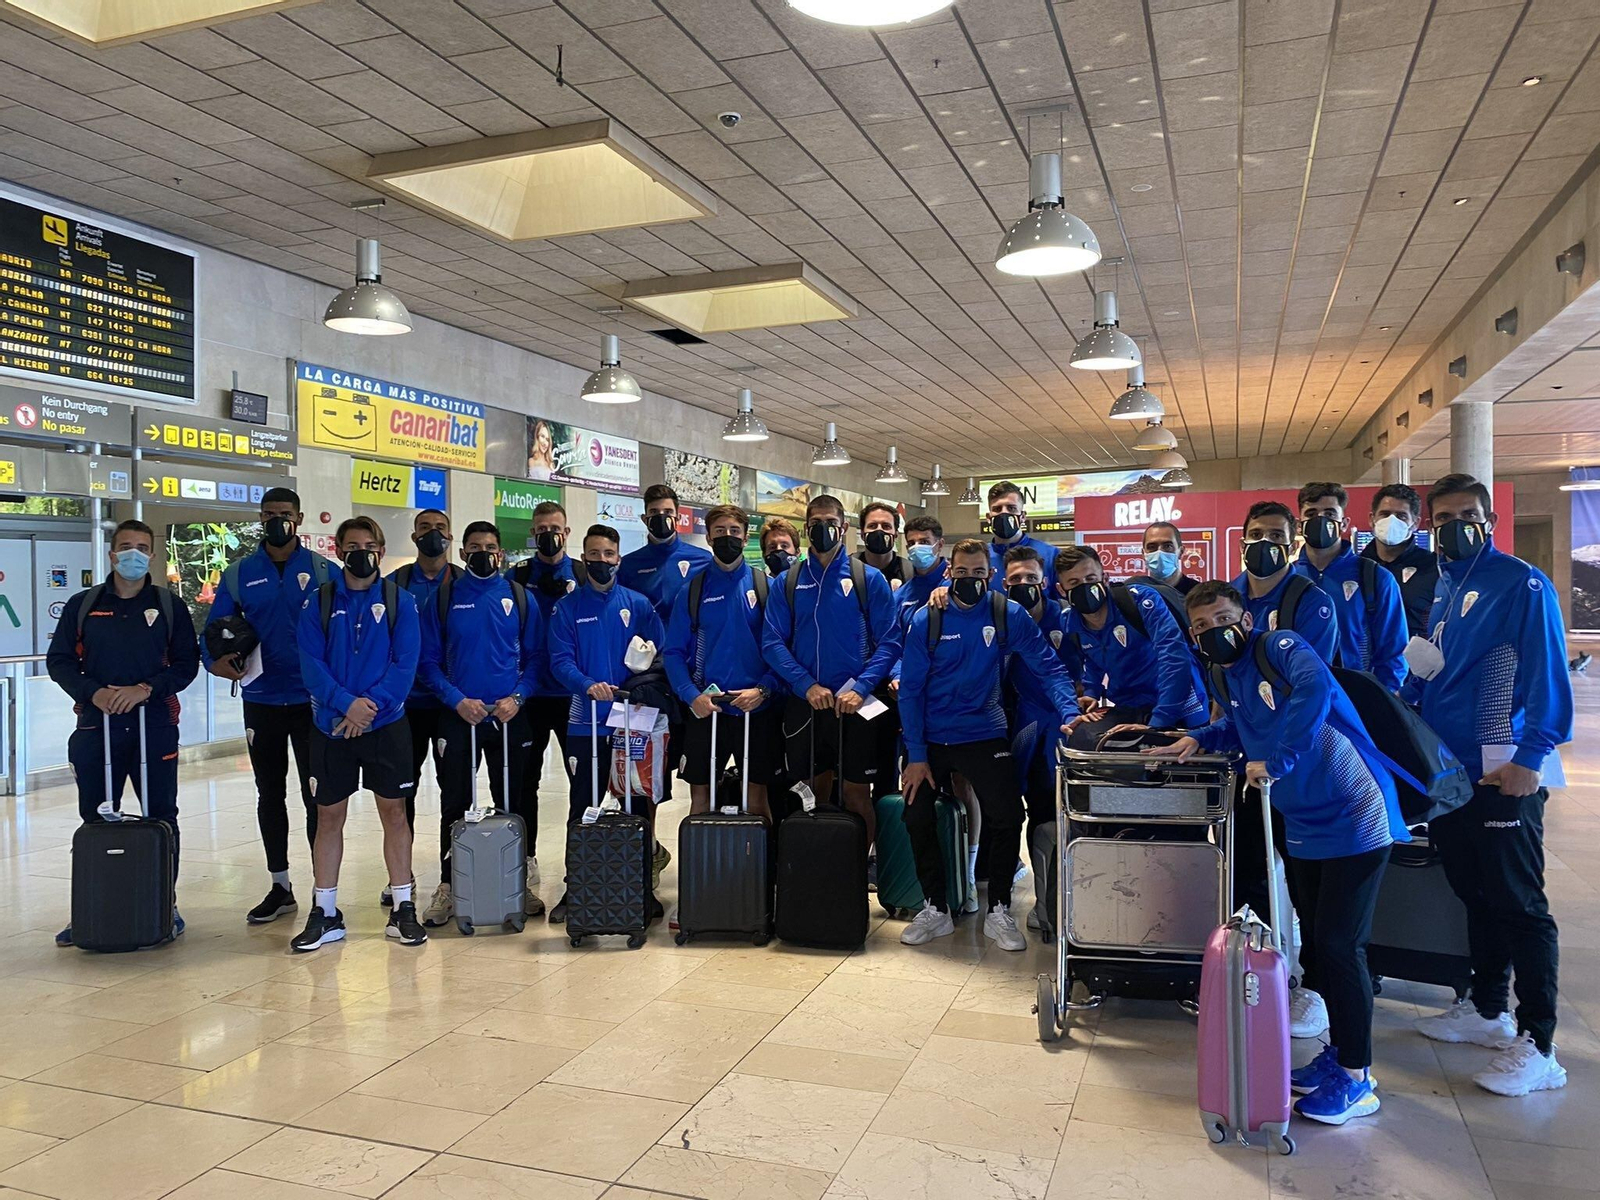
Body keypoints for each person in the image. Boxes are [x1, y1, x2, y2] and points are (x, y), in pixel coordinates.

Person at [1149, 580, 1406, 1126]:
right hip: (1303, 822)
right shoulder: (1222, 673)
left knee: (1341, 947)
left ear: (1245, 620)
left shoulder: (1282, 645)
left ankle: (1360, 1077)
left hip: (1356, 815)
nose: (1213, 630)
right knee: (1316, 941)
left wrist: (1281, 759)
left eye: (1222, 617)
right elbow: (1245, 725)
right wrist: (1203, 737)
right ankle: (1339, 1055)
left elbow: (1314, 693)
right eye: (1200, 626)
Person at [1407, 474, 1572, 1097]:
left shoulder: (1520, 583)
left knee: (1519, 902)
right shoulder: (1448, 586)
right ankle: (1486, 1009)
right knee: (1475, 892)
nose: (1457, 525)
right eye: (1444, 516)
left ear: (1490, 519)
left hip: (1504, 768)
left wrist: (1532, 755)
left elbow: (1545, 671)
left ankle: (1541, 1042)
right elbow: (1440, 668)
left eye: (1468, 514)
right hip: (1452, 772)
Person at [897, 540, 1076, 952]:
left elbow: (1047, 666)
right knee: (916, 815)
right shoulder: (929, 619)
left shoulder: (1006, 613)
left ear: (989, 576)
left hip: (985, 732)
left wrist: (1068, 713)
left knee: (1007, 815)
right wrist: (917, 755)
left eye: (978, 573)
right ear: (949, 573)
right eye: (962, 573)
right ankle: (936, 907)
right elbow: (910, 690)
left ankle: (998, 909)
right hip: (931, 737)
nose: (970, 580)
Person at [48, 519, 199, 946]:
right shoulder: (84, 605)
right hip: (97, 728)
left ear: (151, 555)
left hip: (154, 725)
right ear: (112, 554)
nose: (133, 554)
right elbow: (60, 661)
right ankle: (93, 908)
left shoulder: (169, 607)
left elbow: (186, 665)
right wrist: (92, 692)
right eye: (125, 547)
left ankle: (162, 905)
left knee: (161, 816)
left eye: (142, 547)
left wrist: (145, 689)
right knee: (97, 817)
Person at [202, 487, 336, 925]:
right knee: (269, 794)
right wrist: (216, 662)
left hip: (312, 702)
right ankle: (280, 885)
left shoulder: (322, 570)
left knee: (317, 796)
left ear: (299, 518)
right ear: (261, 518)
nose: (278, 520)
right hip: (261, 699)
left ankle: (324, 890)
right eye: (270, 514)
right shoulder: (239, 574)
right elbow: (213, 633)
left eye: (286, 514)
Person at [290, 517, 424, 952]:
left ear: (381, 551)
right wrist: (346, 705)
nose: (360, 552)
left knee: (395, 813)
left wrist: (366, 709)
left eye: (369, 544)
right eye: (352, 545)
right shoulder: (319, 603)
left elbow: (405, 666)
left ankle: (402, 905)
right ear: (338, 549)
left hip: (386, 726)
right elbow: (311, 665)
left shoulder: (401, 601)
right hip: (330, 727)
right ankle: (325, 910)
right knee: (328, 816)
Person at [416, 521, 544, 927]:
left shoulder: (520, 598)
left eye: (490, 546)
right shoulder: (443, 598)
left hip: (509, 715)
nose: (483, 553)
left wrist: (518, 698)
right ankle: (449, 886)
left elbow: (538, 658)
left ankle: (517, 883)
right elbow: (428, 663)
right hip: (459, 716)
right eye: (474, 547)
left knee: (516, 801)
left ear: (501, 553)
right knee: (454, 803)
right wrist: (456, 701)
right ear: (462, 552)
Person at [762, 494, 901, 848]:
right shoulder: (787, 582)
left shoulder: (867, 579)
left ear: (844, 528)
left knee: (857, 794)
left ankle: (861, 865)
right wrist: (805, 685)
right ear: (807, 530)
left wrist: (863, 688)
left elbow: (889, 641)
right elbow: (773, 642)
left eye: (830, 523)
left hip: (855, 704)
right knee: (812, 792)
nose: (823, 529)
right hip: (808, 704)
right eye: (816, 524)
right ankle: (821, 868)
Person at [546, 523, 666, 922]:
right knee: (583, 806)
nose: (601, 561)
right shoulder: (567, 608)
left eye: (609, 555)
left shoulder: (639, 604)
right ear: (584, 557)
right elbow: (560, 661)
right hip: (586, 724)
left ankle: (640, 888)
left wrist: (644, 681)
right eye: (593, 555)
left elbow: (660, 651)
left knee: (637, 806)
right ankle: (576, 887)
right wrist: (587, 685)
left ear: (618, 558)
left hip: (631, 723)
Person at [663, 504, 780, 819]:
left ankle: (760, 867)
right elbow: (673, 652)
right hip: (707, 708)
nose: (727, 537)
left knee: (757, 800)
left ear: (745, 537)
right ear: (708, 537)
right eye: (719, 532)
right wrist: (692, 696)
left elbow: (781, 648)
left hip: (755, 707)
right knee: (701, 799)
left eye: (734, 532)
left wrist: (763, 691)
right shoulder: (694, 590)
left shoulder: (765, 586)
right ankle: (700, 868)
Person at [507, 500, 587, 884]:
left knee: (583, 781)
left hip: (574, 695)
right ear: (533, 533)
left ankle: (582, 861)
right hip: (531, 696)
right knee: (526, 780)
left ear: (567, 532)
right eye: (540, 529)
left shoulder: (586, 573)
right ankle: (527, 856)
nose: (548, 535)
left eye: (554, 528)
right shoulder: (518, 576)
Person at [1053, 545, 1208, 740]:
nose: (1084, 587)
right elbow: (1092, 655)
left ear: (1105, 579)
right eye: (1074, 583)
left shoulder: (1140, 600)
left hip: (1181, 699)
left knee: (1193, 761)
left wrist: (1158, 722)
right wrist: (1091, 692)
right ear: (1061, 589)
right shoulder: (1069, 621)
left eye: (1091, 579)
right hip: (1130, 704)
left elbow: (1175, 657)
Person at [384, 509, 460, 906]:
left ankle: (451, 877)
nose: (433, 535)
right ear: (414, 536)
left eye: (440, 529)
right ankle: (403, 874)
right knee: (402, 792)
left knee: (454, 793)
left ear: (451, 536)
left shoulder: (464, 582)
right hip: (404, 706)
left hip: (451, 704)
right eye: (425, 529)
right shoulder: (393, 585)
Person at [1000, 545, 1072, 935]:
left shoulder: (1067, 619)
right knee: (1029, 811)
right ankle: (1041, 904)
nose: (1024, 584)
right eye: (1016, 580)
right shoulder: (1001, 619)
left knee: (1055, 815)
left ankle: (1054, 906)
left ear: (1045, 582)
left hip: (1062, 730)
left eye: (1031, 578)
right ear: (1004, 583)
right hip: (1017, 730)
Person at [1293, 482, 1408, 690]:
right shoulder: (1289, 578)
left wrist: (1380, 702)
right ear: (1300, 525)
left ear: (1344, 523)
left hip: (1356, 699)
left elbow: (1394, 652)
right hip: (1299, 699)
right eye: (1311, 513)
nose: (1320, 520)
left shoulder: (1375, 578)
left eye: (1329, 513)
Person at [1231, 500, 1339, 664]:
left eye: (1276, 535)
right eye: (1256, 535)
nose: (1264, 542)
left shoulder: (1312, 603)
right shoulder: (1226, 598)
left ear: (1293, 547)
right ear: (1242, 545)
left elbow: (1312, 677)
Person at [618, 483, 713, 620]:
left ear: (678, 518)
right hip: (649, 640)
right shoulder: (629, 564)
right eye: (654, 512)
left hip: (690, 640)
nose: (661, 517)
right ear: (645, 519)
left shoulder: (702, 559)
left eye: (668, 512)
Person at [1360, 483, 1439, 639]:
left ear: (1415, 523)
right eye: (1385, 514)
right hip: (1363, 659)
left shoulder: (1434, 568)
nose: (1392, 521)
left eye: (1401, 516)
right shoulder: (1357, 567)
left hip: (1414, 659)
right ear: (1372, 519)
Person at [986, 480, 1058, 583]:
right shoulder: (981, 559)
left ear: (1023, 517)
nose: (1004, 513)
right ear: (989, 518)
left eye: (1011, 508)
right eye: (997, 509)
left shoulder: (1050, 555)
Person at [1131, 521, 1199, 594]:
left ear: (1181, 552)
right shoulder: (1133, 594)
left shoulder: (1199, 594)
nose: (1159, 553)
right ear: (1143, 554)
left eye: (1168, 546)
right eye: (1152, 547)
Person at [854, 502, 909, 590]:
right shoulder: (848, 569)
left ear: (895, 535)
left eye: (886, 526)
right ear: (862, 534)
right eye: (872, 526)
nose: (879, 530)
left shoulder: (909, 573)